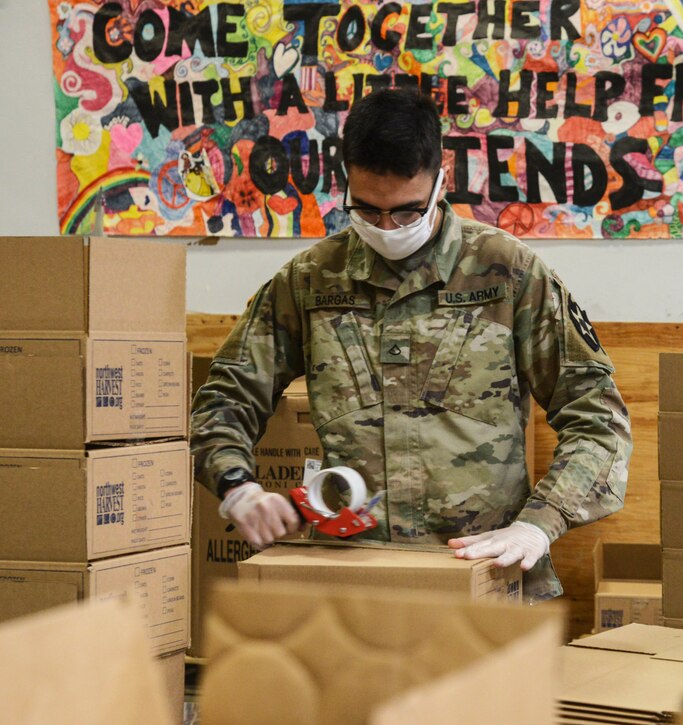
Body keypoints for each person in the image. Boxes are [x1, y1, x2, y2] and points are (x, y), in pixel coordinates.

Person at [190, 88, 633, 602]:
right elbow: (225, 398)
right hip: (358, 585)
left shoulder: (507, 272)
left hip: (485, 580)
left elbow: (599, 421)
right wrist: (236, 486)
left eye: (406, 212)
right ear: (346, 183)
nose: (386, 227)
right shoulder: (312, 280)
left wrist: (539, 523)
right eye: (367, 210)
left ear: (439, 177)